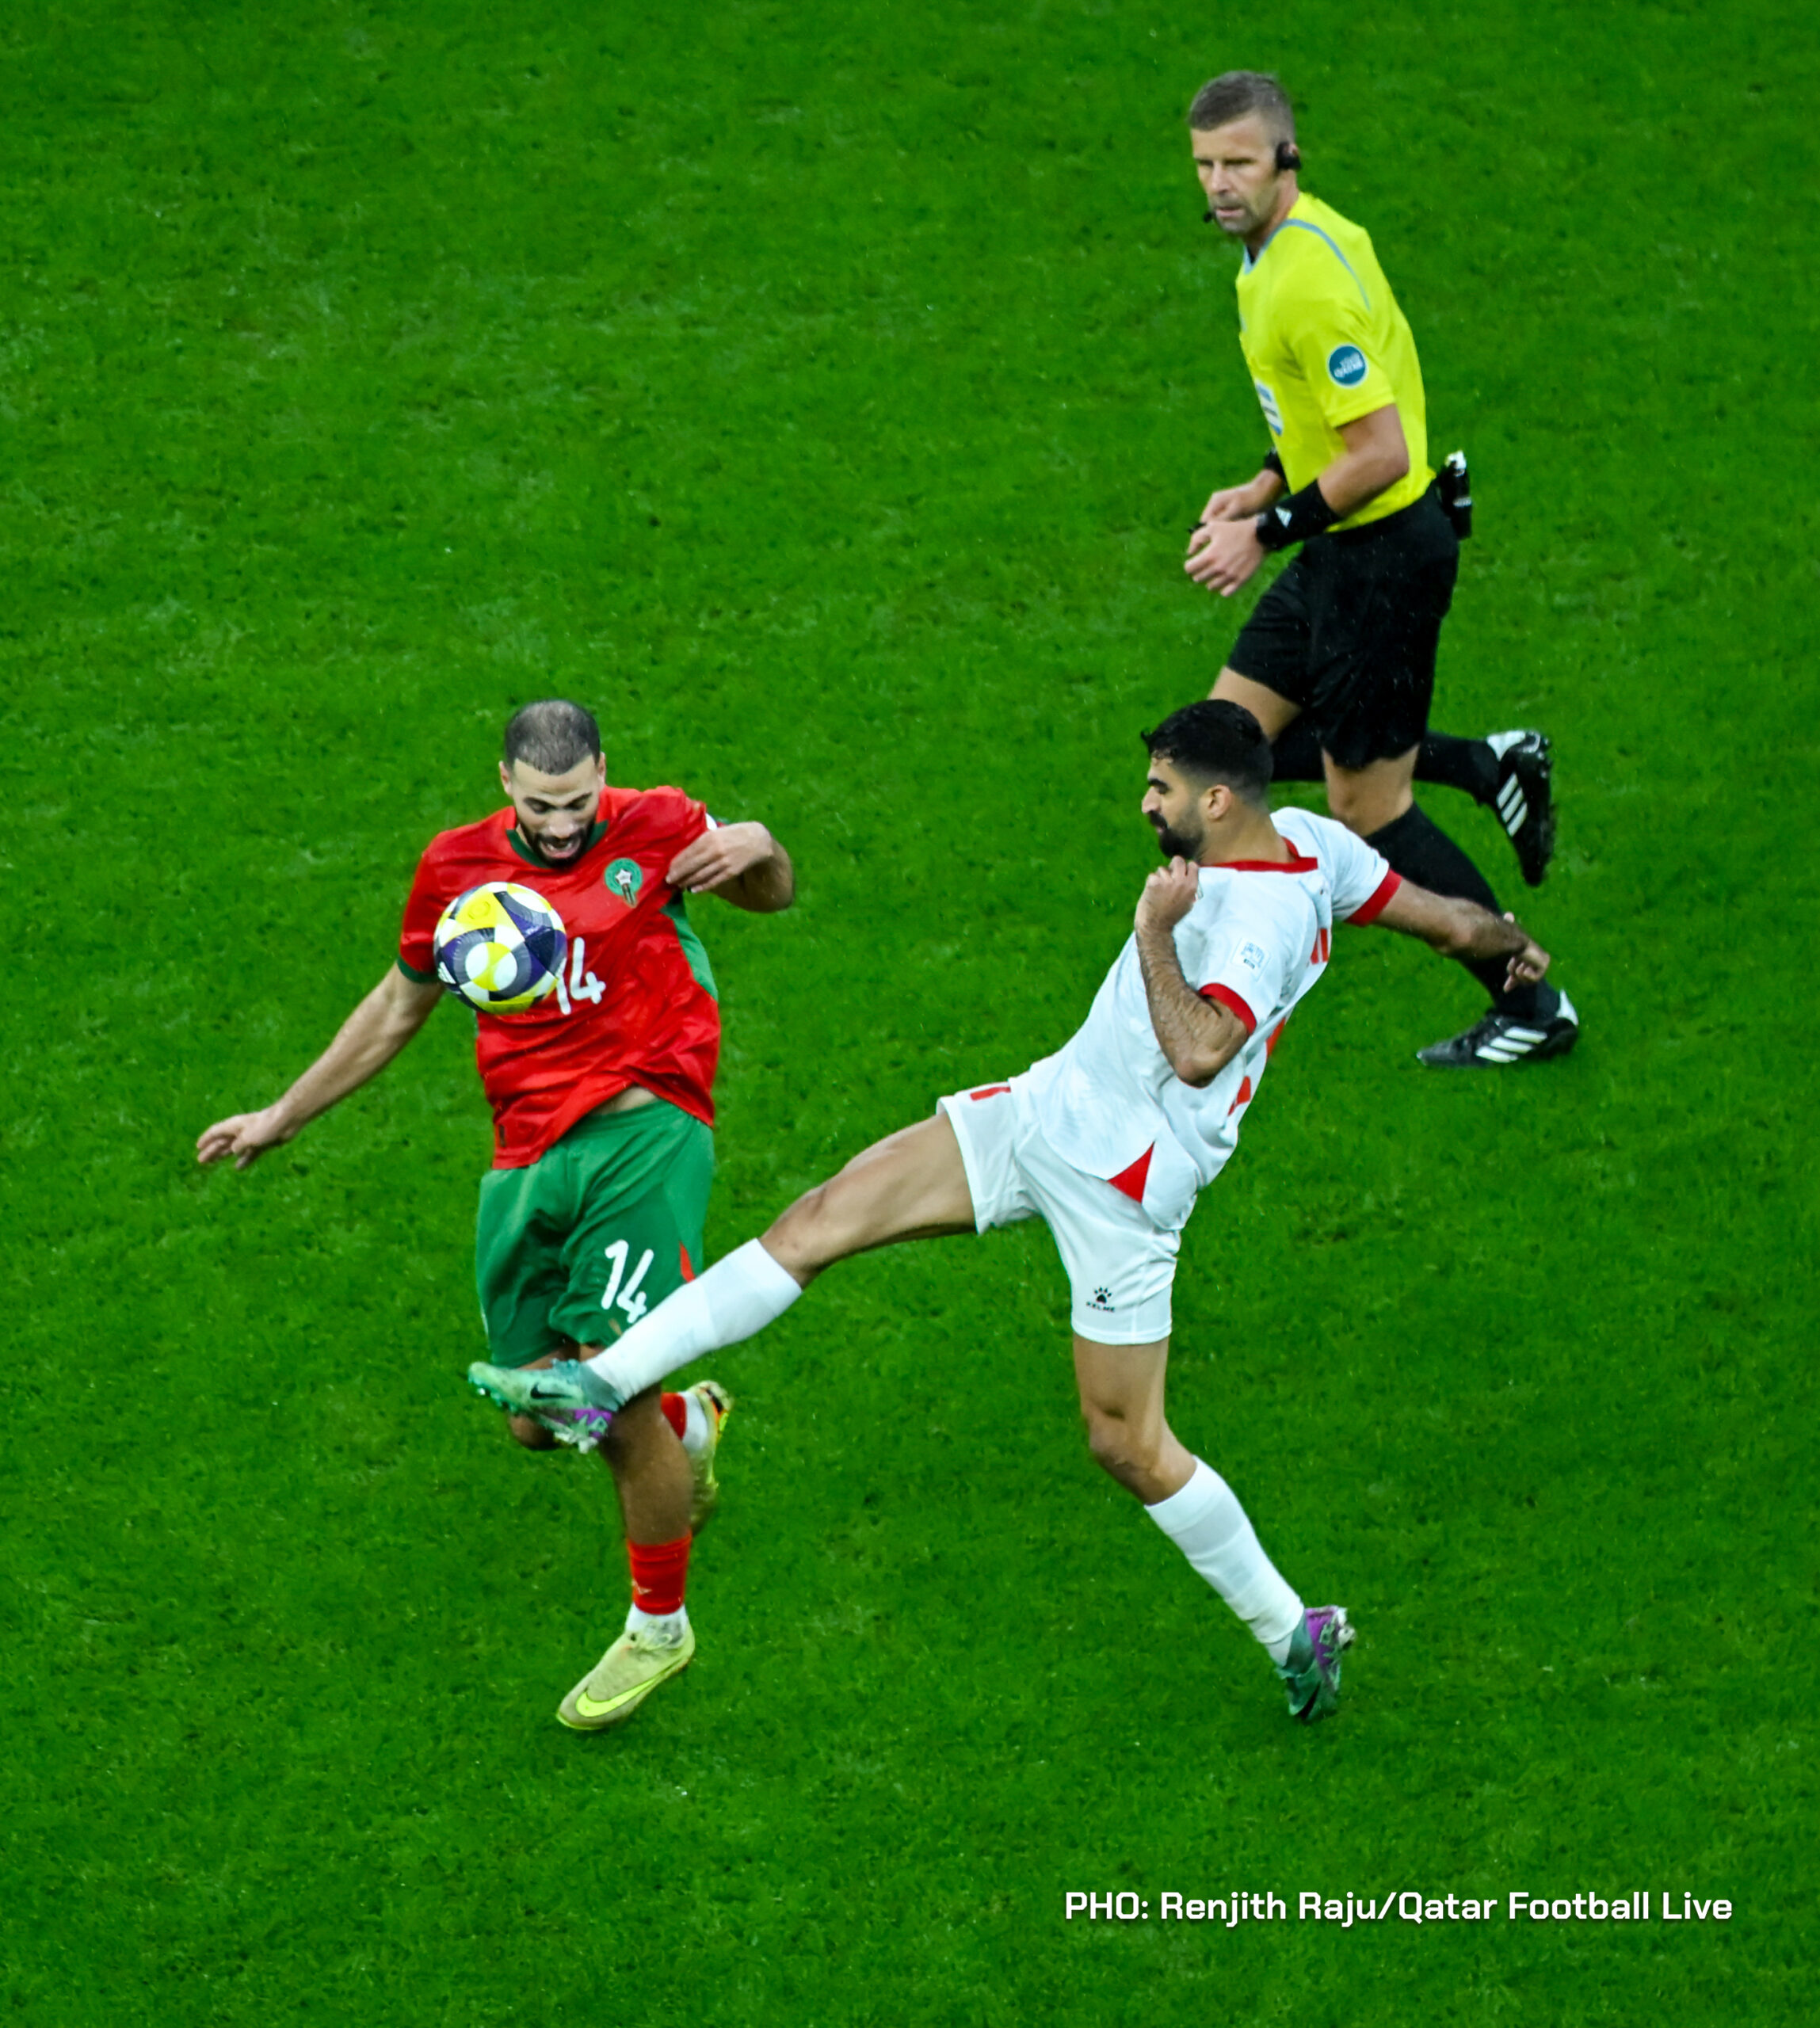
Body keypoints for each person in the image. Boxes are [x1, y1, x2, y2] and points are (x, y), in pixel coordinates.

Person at [468, 701, 1551, 1724]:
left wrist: (1156, 930)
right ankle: (596, 1386)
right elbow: (1441, 919)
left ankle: (1290, 1631)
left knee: (1125, 1443)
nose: (1145, 804)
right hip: (1043, 1110)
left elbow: (1198, 1051)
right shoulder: (1316, 843)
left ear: (1217, 801)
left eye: (1161, 788)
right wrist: (1508, 948)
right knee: (818, 1221)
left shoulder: (1249, 916)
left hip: (1125, 1187)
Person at [196, 698, 795, 1731]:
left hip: (645, 1131)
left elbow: (769, 896)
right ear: (505, 783)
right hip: (525, 1156)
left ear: (602, 771)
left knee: (609, 1392)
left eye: (577, 803)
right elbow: (398, 1005)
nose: (562, 826)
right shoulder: (454, 867)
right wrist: (281, 1116)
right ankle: (688, 1425)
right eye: (540, 806)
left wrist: (759, 845)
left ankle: (659, 1625)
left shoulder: (656, 824)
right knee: (535, 1422)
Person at [1181, 70, 1578, 1068]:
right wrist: (1262, 480)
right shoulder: (1282, 248)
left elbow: (1381, 453)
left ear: (1285, 157)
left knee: (1367, 808)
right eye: (1204, 165)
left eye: (1237, 163)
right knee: (1214, 756)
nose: (1219, 184)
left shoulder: (1305, 280)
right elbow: (1328, 418)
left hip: (1382, 559)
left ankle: (1529, 1000)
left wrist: (1263, 531)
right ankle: (1483, 764)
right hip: (1341, 545)